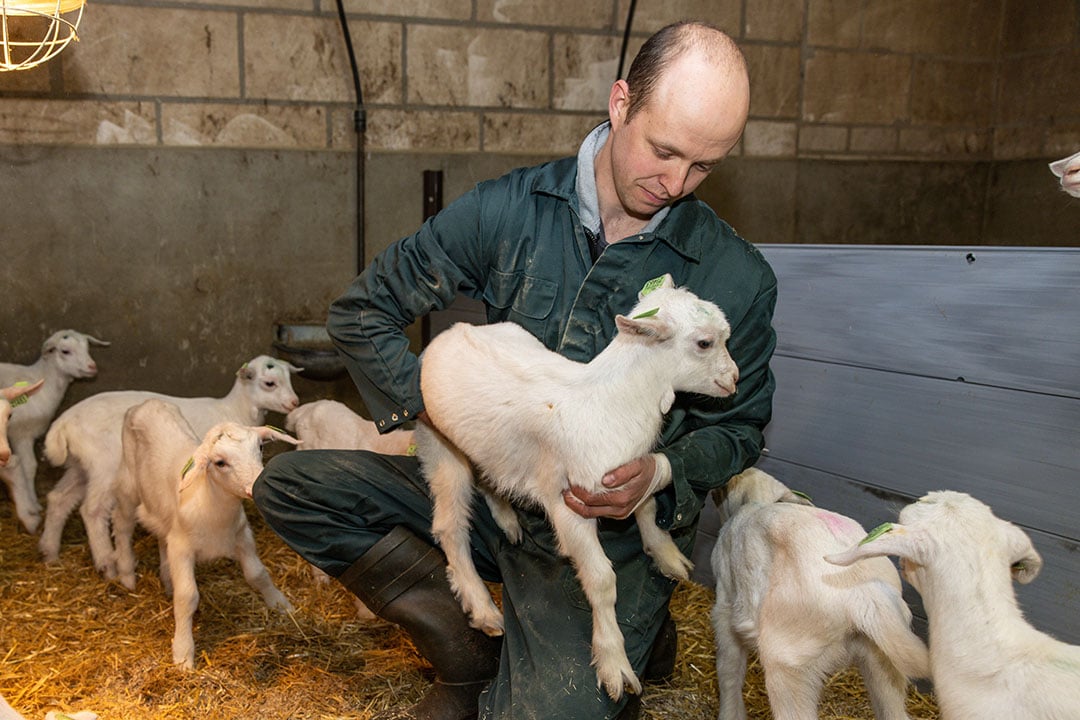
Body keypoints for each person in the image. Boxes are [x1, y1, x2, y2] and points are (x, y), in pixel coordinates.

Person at [253, 20, 777, 720]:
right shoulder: (509, 210)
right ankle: (465, 649)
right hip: (496, 485)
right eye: (664, 151)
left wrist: (659, 474)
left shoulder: (734, 275)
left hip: (602, 527)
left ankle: (629, 630)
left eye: (705, 166)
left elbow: (740, 428)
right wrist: (440, 410)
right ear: (621, 103)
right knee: (290, 486)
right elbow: (363, 311)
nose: (677, 183)